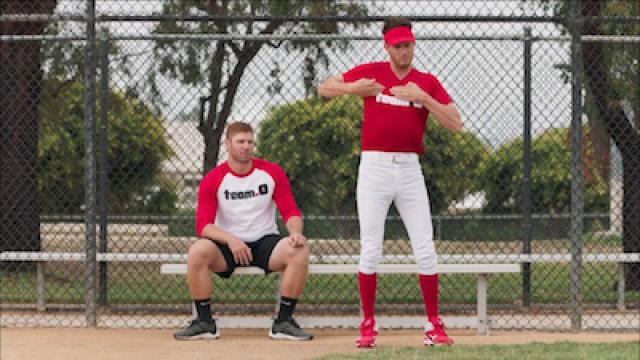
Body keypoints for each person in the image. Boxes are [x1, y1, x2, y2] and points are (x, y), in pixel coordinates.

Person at [318, 17, 463, 347]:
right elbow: (324, 88)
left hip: (410, 168)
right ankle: (368, 324)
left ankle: (433, 325)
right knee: (371, 247)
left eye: (408, 44)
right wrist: (353, 89)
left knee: (424, 246)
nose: (404, 51)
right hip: (374, 166)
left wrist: (423, 98)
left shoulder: (425, 81)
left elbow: (456, 123)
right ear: (387, 47)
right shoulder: (373, 72)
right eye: (398, 46)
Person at [174, 121, 313, 341]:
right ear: (227, 144)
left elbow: (290, 211)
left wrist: (295, 232)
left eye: (250, 142)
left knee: (299, 250)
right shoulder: (214, 179)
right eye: (240, 142)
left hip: (264, 242)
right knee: (197, 251)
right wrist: (231, 239)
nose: (246, 146)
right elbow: (204, 226)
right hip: (226, 246)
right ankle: (204, 323)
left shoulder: (271, 172)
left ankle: (283, 322)